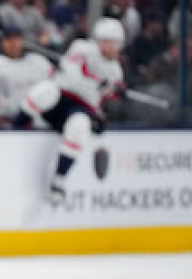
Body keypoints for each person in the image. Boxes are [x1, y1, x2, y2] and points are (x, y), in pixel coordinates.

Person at [14, 17, 125, 204]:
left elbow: (108, 98)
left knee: (80, 126)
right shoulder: (83, 48)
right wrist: (100, 82)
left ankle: (59, 180)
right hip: (60, 96)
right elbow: (73, 73)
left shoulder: (115, 70)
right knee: (44, 91)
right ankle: (15, 128)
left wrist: (115, 93)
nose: (117, 48)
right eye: (114, 43)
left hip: (81, 108)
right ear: (102, 41)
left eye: (118, 44)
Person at [0, 27, 53, 128]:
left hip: (38, 123)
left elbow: (53, 87)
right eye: (9, 40)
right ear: (2, 42)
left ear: (22, 41)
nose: (13, 44)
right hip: (6, 124)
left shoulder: (39, 62)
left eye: (16, 39)